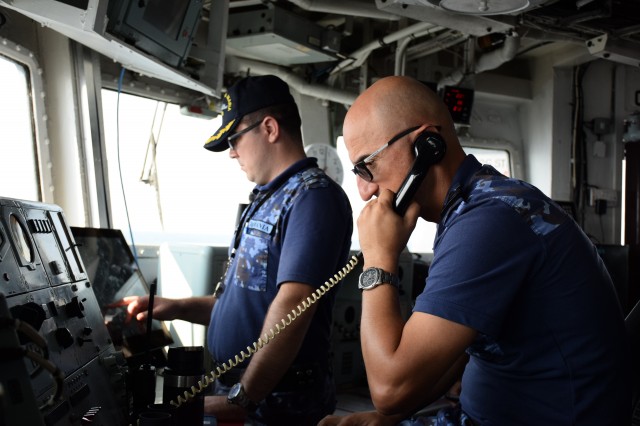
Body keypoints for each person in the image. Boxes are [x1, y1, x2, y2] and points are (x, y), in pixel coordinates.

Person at [320, 76, 631, 425]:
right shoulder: (476, 204)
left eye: (368, 166)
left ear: (428, 145)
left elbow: (390, 388)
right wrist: (386, 420)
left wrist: (378, 257)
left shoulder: (488, 221)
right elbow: (451, 353)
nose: (364, 191)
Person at [121, 74, 353, 425]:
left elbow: (294, 306)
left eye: (235, 139)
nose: (232, 152)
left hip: (276, 404)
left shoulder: (312, 198)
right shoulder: (266, 199)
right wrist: (177, 307)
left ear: (270, 128)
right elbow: (247, 305)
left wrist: (244, 397)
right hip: (241, 392)